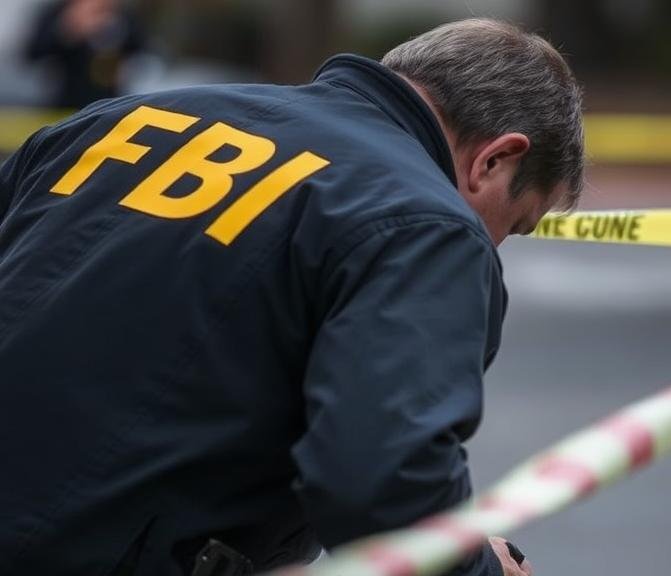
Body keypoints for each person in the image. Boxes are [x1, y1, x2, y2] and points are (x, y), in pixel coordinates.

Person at [0, 18, 584, 576]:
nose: (496, 244)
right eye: (516, 223)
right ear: (496, 159)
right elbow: (381, 482)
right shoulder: (426, 227)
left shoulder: (128, 119)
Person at [25, 0, 147, 109]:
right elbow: (33, 53)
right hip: (64, 99)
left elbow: (142, 52)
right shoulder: (59, 12)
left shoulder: (123, 15)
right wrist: (69, 30)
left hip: (111, 101)